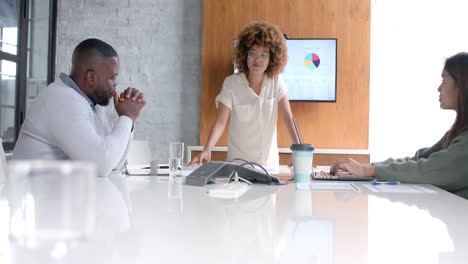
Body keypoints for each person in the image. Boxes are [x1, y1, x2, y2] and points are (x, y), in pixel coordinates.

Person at [331, 52, 468, 199]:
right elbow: (419, 159)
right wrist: (367, 168)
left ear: (460, 85)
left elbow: (430, 169)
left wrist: (368, 170)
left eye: (444, 80)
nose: (439, 88)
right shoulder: (457, 133)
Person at [12, 38, 145, 176]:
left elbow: (113, 164)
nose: (116, 84)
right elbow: (100, 166)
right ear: (91, 77)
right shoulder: (61, 99)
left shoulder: (93, 103)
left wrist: (128, 121)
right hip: (28, 193)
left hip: (57, 192)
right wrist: (127, 117)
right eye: (112, 78)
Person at [190, 21, 300, 169]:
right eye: (252, 53)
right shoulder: (231, 84)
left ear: (271, 58)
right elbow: (220, 122)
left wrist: (298, 150)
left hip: (269, 166)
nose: (257, 59)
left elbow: (288, 118)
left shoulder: (276, 82)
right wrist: (207, 149)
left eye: (263, 55)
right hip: (238, 166)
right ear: (245, 55)